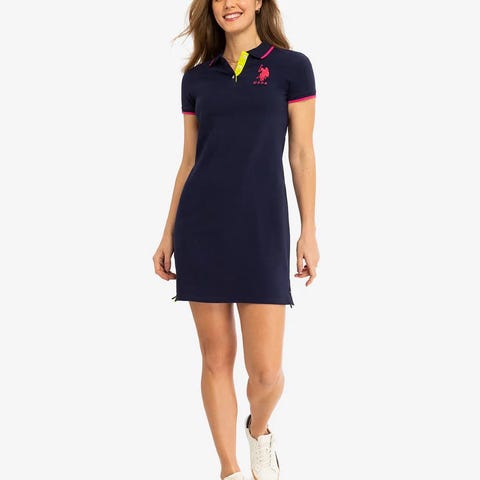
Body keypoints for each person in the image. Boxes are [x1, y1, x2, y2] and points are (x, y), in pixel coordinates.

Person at [153, 0, 319, 478]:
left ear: (260, 1)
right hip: (202, 226)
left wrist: (308, 229)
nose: (230, 3)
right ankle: (229, 470)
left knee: (266, 373)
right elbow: (189, 160)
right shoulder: (197, 78)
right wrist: (167, 233)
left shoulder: (292, 68)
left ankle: (258, 430)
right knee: (215, 359)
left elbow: (302, 154)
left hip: (262, 228)